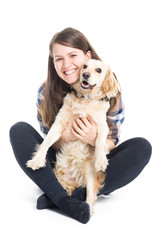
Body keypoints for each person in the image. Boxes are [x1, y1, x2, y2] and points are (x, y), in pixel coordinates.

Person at [9, 27, 152, 224]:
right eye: (58, 58)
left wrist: (93, 139)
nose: (66, 64)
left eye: (72, 55)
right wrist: (67, 136)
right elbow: (49, 140)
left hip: (93, 159)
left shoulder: (109, 88)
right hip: (60, 156)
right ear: (53, 63)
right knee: (18, 130)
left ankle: (62, 195)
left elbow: (113, 140)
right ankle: (65, 199)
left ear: (87, 56)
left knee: (142, 147)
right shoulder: (45, 91)